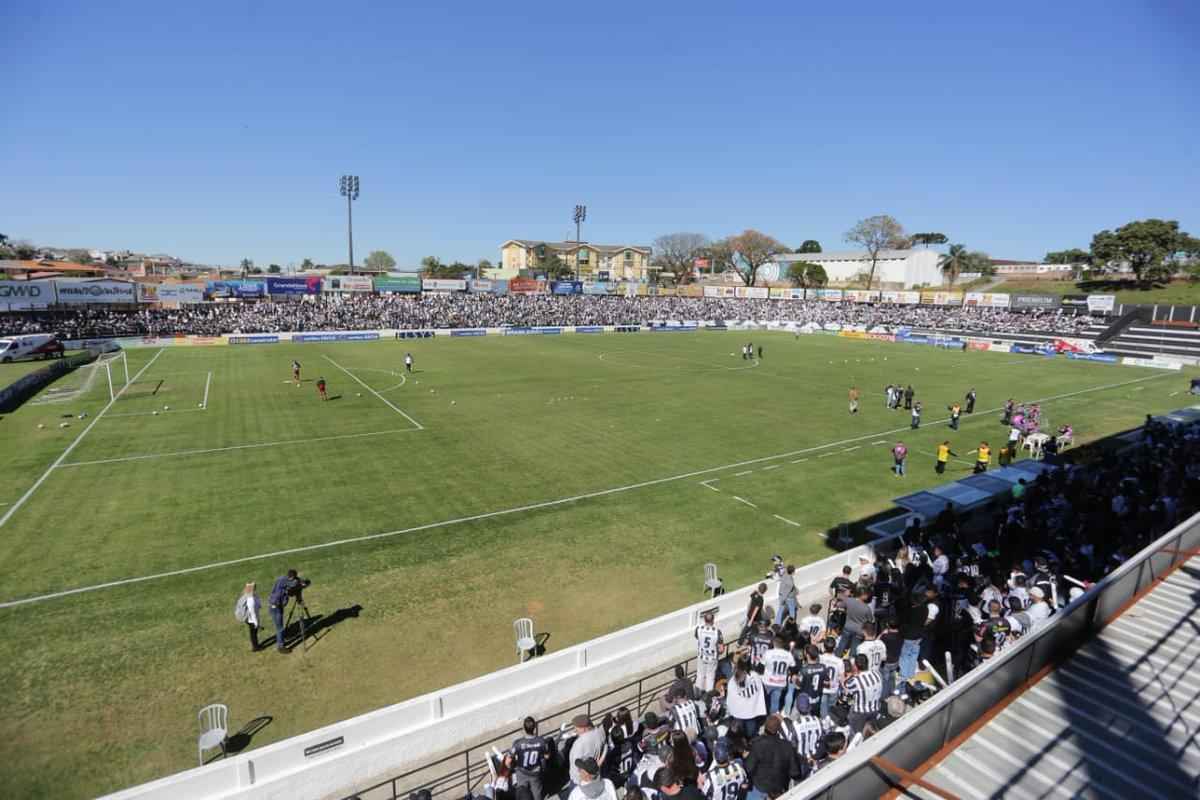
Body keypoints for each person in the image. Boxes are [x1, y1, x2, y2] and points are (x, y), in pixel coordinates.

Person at [744, 715, 807, 800]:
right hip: (779, 790)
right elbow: (794, 773)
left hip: (760, 789)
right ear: (778, 730)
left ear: (765, 728)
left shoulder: (757, 745)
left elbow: (748, 768)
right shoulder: (787, 746)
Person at [510, 717, 552, 800]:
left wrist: (513, 765)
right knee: (537, 793)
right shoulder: (542, 741)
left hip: (522, 771)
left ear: (523, 728)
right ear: (535, 727)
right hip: (535, 772)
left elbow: (509, 760)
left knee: (522, 791)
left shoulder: (517, 743)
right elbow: (547, 756)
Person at [568, 716, 608, 792]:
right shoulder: (600, 733)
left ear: (584, 728)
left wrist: (575, 779)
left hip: (579, 780)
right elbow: (606, 747)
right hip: (595, 775)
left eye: (576, 728)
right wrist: (599, 764)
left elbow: (575, 764)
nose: (575, 730)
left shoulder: (579, 743)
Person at [268, 569, 304, 653]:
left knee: (280, 627)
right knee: (279, 628)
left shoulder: (282, 578)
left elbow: (294, 584)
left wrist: (299, 582)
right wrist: (301, 584)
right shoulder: (284, 581)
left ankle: (281, 639)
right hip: (275, 607)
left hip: (277, 606)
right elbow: (294, 585)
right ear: (291, 577)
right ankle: (280, 646)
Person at [761, 637, 795, 714]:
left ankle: (764, 716)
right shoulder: (788, 654)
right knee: (775, 703)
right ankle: (772, 719)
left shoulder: (768, 653)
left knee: (764, 701)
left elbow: (761, 665)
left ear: (774, 644)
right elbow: (793, 667)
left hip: (768, 681)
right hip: (780, 682)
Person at [695, 612, 724, 693]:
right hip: (712, 658)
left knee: (700, 675)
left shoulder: (698, 629)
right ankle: (708, 696)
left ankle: (697, 694)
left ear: (704, 620)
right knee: (710, 678)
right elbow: (721, 649)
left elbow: (698, 640)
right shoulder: (717, 632)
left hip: (701, 656)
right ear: (713, 620)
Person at [234, 581, 262, 652]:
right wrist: (256, 623)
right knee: (253, 633)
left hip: (250, 619)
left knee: (253, 633)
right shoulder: (250, 599)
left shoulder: (248, 595)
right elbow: (253, 612)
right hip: (251, 620)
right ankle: (255, 647)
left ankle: (255, 645)